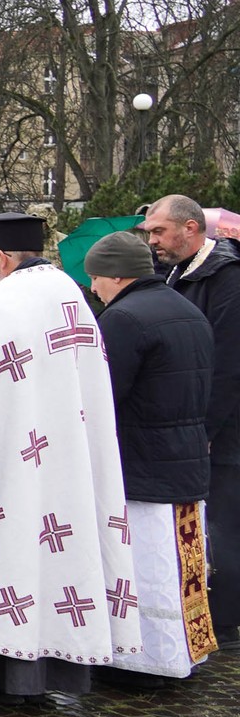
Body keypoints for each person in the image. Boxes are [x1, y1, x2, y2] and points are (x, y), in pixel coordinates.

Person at [0, 212, 141, 704]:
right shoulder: (71, 295)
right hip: (65, 456)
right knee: (58, 560)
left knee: (6, 556)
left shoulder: (2, 302)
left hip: (8, 461)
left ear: (1, 257)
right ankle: (49, 678)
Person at [85, 231, 219, 681]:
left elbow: (105, 396)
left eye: (97, 277)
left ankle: (140, 663)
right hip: (184, 459)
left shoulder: (123, 319)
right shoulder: (186, 309)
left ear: (119, 274)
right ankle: (185, 653)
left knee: (142, 566)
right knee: (183, 563)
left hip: (141, 463)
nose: (94, 288)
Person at [139, 194, 240, 643]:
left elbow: (228, 363)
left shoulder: (227, 279)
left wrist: (207, 430)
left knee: (224, 520)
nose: (153, 241)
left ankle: (228, 618)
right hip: (192, 423)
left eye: (159, 232)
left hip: (224, 429)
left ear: (191, 229)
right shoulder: (179, 272)